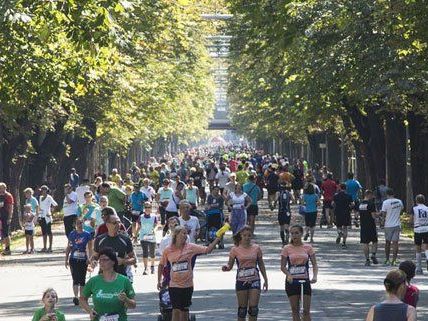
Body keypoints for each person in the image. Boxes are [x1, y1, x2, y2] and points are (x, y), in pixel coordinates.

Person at [157, 226, 223, 321]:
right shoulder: (168, 250)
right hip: (174, 285)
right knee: (176, 310)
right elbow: (161, 265)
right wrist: (159, 281)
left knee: (184, 310)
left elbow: (207, 250)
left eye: (186, 233)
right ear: (176, 235)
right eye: (183, 233)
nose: (185, 235)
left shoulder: (191, 247)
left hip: (187, 285)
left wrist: (217, 239)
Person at [222, 226, 268, 321]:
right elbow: (230, 265)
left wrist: (265, 279)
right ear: (240, 236)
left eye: (249, 235)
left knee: (253, 309)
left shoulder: (256, 248)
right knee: (242, 310)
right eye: (245, 235)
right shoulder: (235, 249)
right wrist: (226, 268)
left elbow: (261, 264)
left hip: (254, 279)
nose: (247, 238)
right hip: (241, 280)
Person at [80, 247, 136, 321]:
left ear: (113, 262)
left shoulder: (124, 280)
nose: (102, 262)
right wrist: (90, 311)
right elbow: (82, 299)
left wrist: (126, 300)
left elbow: (133, 305)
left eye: (105, 260)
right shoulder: (93, 281)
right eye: (100, 260)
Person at [281, 225, 318, 321]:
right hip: (292, 281)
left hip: (304, 280)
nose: (294, 236)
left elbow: (314, 264)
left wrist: (314, 276)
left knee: (306, 311)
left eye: (296, 233)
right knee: (295, 309)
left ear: (301, 234)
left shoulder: (308, 247)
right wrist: (288, 274)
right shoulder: (287, 248)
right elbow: (282, 266)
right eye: (292, 233)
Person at [91, 209, 136, 277]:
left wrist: (123, 261)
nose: (118, 225)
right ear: (107, 224)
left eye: (119, 222)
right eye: (115, 223)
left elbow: (134, 260)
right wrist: (93, 262)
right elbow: (95, 256)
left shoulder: (125, 239)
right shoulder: (99, 239)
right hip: (103, 278)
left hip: (120, 277)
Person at [65, 217, 91, 306]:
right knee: (75, 278)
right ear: (75, 225)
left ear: (83, 224)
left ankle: (81, 297)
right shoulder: (72, 234)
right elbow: (69, 246)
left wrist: (89, 259)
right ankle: (76, 297)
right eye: (78, 223)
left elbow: (90, 248)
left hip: (83, 259)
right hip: (73, 259)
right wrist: (66, 259)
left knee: (82, 279)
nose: (79, 225)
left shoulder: (87, 235)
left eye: (81, 223)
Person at [381, 188, 404, 266]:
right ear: (393, 194)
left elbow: (383, 214)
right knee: (395, 243)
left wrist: (382, 221)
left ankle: (387, 259)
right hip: (397, 224)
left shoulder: (385, 202)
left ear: (387, 195)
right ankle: (394, 260)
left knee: (387, 242)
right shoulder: (399, 201)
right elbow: (401, 210)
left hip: (388, 225)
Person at [359, 190, 379, 266]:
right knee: (375, 241)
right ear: (368, 195)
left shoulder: (360, 204)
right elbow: (373, 215)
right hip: (371, 225)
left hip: (363, 225)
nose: (372, 197)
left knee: (365, 242)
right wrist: (378, 214)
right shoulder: (371, 204)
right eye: (371, 195)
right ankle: (373, 254)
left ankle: (367, 259)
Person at [136, 202, 157, 275]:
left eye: (149, 207)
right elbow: (138, 227)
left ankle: (152, 266)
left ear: (151, 208)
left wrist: (154, 229)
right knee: (145, 252)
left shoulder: (154, 216)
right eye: (146, 207)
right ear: (144, 208)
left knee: (152, 253)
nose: (147, 209)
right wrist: (135, 236)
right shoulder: (141, 217)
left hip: (152, 236)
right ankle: (145, 268)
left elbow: (156, 225)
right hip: (143, 236)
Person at [410, 194, 428, 274]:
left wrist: (411, 224)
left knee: (418, 248)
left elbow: (411, 219)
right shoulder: (427, 208)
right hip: (426, 228)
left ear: (416, 201)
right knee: (426, 247)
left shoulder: (414, 208)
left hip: (418, 229)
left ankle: (419, 268)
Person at [38, 185, 58, 253]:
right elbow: (40, 207)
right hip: (42, 216)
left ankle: (50, 247)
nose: (43, 191)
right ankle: (44, 247)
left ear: (47, 190)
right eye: (42, 189)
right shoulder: (40, 198)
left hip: (47, 216)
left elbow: (55, 204)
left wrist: (51, 212)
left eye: (45, 189)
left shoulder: (49, 197)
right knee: (43, 232)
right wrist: (38, 216)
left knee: (49, 231)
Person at [332, 183, 353, 248]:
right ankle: (344, 242)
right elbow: (352, 204)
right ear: (345, 188)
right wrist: (350, 207)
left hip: (338, 212)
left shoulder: (336, 196)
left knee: (338, 226)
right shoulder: (349, 196)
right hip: (346, 212)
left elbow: (332, 204)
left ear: (340, 188)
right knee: (345, 228)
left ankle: (339, 233)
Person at [0, 183, 14, 255]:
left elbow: (11, 207)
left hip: (5, 216)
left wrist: (9, 217)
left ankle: (8, 249)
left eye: (2, 188)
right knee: (1, 233)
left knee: (6, 233)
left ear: (5, 188)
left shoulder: (8, 196)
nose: (1, 189)